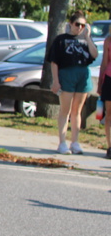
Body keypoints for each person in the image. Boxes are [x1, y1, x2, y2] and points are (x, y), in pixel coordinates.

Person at [47, 11, 97, 155]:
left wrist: (87, 37)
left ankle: (75, 142)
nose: (79, 27)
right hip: (67, 74)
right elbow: (54, 62)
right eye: (77, 24)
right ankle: (62, 143)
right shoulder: (61, 40)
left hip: (83, 75)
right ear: (71, 24)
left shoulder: (86, 39)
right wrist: (56, 81)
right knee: (65, 110)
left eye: (83, 25)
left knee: (77, 111)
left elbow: (94, 55)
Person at [98, 28, 111, 159]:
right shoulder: (108, 40)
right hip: (109, 78)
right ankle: (110, 146)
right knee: (108, 114)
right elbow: (104, 62)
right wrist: (100, 83)